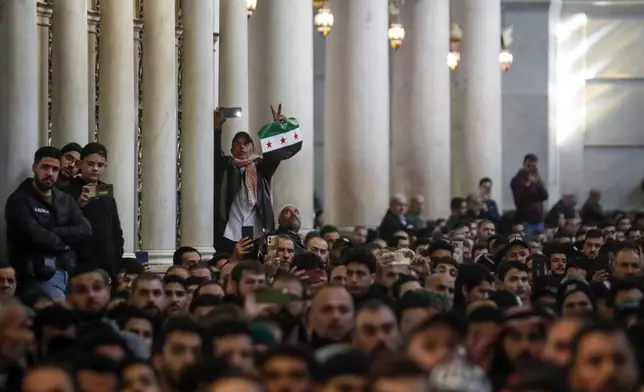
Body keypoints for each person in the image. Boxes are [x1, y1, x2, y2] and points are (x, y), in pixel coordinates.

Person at [4, 146, 92, 297]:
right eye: (45, 167)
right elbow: (32, 233)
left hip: (68, 272)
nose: (50, 173)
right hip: (35, 274)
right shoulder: (19, 200)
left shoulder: (65, 199)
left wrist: (54, 232)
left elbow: (85, 229)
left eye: (55, 169)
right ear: (34, 167)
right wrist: (63, 245)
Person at [213, 104, 301, 254]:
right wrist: (217, 128)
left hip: (261, 232)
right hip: (230, 232)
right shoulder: (226, 167)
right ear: (232, 149)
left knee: (266, 263)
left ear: (253, 148)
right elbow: (214, 153)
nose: (242, 147)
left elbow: (274, 156)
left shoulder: (261, 168)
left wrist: (278, 130)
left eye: (246, 144)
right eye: (237, 144)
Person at [65, 142, 124, 278]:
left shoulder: (105, 191)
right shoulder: (67, 190)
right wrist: (78, 204)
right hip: (80, 265)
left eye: (100, 165)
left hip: (107, 266)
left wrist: (116, 258)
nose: (95, 169)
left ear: (105, 166)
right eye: (90, 164)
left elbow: (115, 229)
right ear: (80, 164)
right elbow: (61, 224)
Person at [511, 154, 549, 235]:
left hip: (538, 218)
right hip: (525, 219)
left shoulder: (536, 179)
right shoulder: (517, 180)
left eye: (533, 166)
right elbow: (519, 200)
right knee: (528, 242)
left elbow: (544, 196)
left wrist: (539, 185)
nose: (531, 169)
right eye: (529, 166)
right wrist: (528, 185)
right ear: (524, 164)